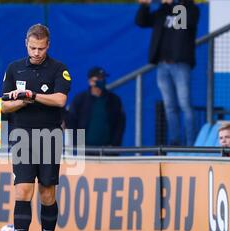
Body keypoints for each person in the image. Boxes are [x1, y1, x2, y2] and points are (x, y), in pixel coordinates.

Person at [1, 24, 71, 231]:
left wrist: (32, 96)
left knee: (47, 193)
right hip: (21, 136)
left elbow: (60, 99)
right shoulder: (14, 68)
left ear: (48, 45)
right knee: (22, 191)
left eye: (41, 48)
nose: (37, 52)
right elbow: (3, 105)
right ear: (26, 43)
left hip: (50, 136)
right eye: (33, 47)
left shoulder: (59, 69)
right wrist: (20, 102)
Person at [135, 0, 199, 146]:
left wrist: (173, 4)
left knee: (185, 104)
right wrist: (144, 6)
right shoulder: (162, 11)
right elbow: (141, 22)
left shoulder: (190, 9)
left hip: (180, 64)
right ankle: (174, 141)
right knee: (169, 106)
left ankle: (191, 143)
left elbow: (183, 24)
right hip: (163, 65)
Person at [67, 67, 125, 148]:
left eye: (103, 78)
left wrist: (114, 144)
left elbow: (120, 124)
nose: (102, 80)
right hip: (85, 150)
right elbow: (71, 122)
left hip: (107, 149)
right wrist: (77, 144)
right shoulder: (80, 99)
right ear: (90, 81)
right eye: (99, 78)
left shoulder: (114, 100)